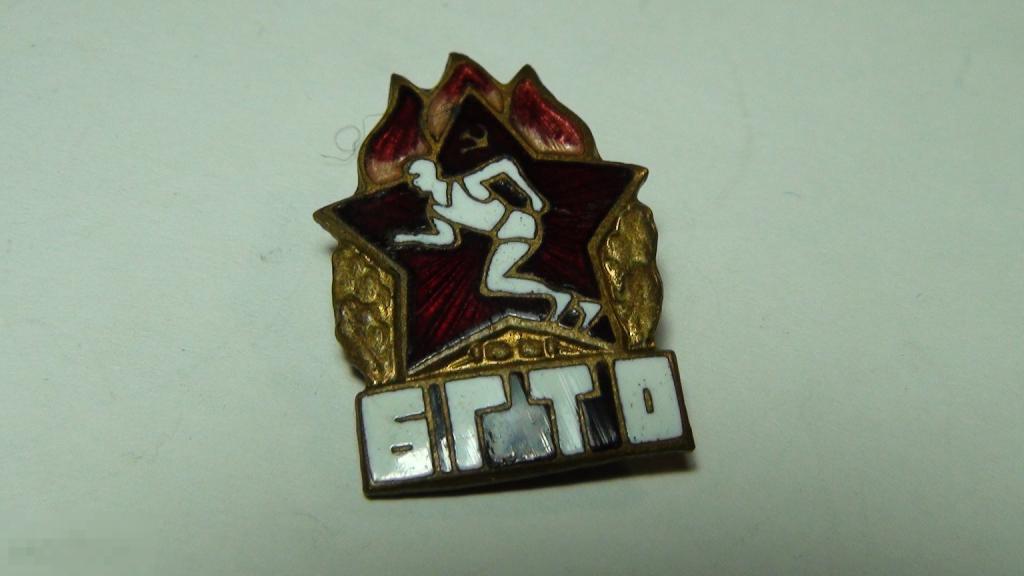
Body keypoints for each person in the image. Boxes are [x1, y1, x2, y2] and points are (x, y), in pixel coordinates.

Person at [394, 157, 602, 328]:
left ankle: (562, 298)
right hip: (504, 235)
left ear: (430, 173)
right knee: (494, 282)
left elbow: (505, 164)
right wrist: (411, 238)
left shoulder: (465, 185)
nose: (413, 183)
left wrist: (532, 196)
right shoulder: (436, 210)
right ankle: (580, 305)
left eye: (416, 176)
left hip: (518, 225)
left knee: (494, 281)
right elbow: (446, 238)